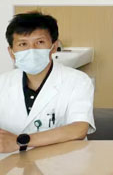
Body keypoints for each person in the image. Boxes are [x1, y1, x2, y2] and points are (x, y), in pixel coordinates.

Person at [0, 12, 94, 152]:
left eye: (40, 42)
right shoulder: (2, 83)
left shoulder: (78, 80)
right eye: (23, 44)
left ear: (54, 46)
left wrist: (20, 141)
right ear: (11, 51)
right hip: (9, 161)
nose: (31, 50)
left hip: (61, 161)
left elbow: (79, 129)